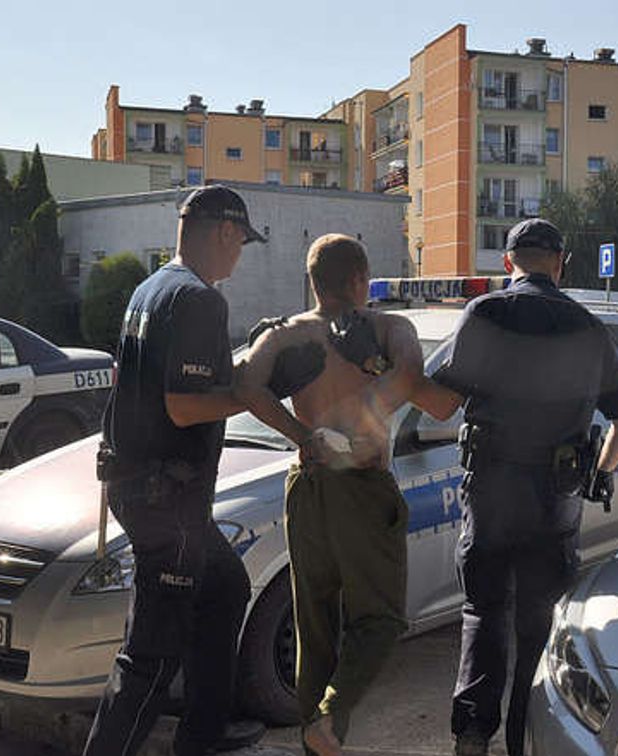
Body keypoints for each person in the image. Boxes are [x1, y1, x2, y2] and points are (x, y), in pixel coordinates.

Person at [416, 218, 618, 756]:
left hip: (491, 500)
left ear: (507, 262)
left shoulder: (486, 313)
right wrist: (599, 474)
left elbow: (441, 405)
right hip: (555, 505)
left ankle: (472, 737)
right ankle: (527, 741)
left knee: (483, 615)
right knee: (540, 631)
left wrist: (399, 371)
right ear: (561, 264)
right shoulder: (590, 326)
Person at [83, 185, 267, 756]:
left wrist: (246, 360)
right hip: (168, 501)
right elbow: (184, 405)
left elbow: (176, 382)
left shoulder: (153, 288)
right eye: (241, 241)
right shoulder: (199, 300)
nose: (240, 254)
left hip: (145, 487)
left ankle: (205, 731)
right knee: (151, 656)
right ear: (224, 232)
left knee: (227, 588)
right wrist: (256, 391)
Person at [234, 233, 428, 756]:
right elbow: (410, 374)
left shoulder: (285, 334)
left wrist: (306, 435)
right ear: (361, 279)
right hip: (360, 483)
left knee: (314, 624)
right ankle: (328, 720)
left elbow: (247, 387)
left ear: (312, 282)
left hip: (306, 481)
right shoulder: (388, 326)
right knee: (381, 618)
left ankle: (313, 740)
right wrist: (355, 423)